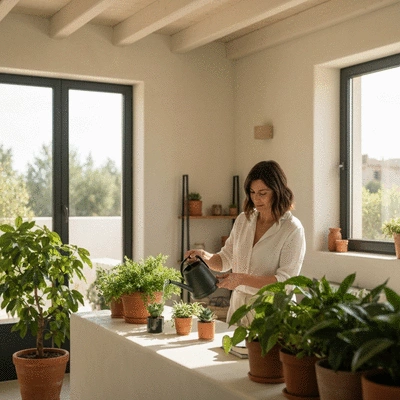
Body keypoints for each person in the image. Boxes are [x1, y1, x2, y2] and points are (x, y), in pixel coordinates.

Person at [184, 160, 306, 325]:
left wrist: (241, 279)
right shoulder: (243, 220)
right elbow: (226, 259)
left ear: (278, 192)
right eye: (252, 192)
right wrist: (204, 257)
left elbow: (286, 283)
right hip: (239, 309)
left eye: (263, 193)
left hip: (271, 312)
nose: (256, 199)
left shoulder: (292, 229)